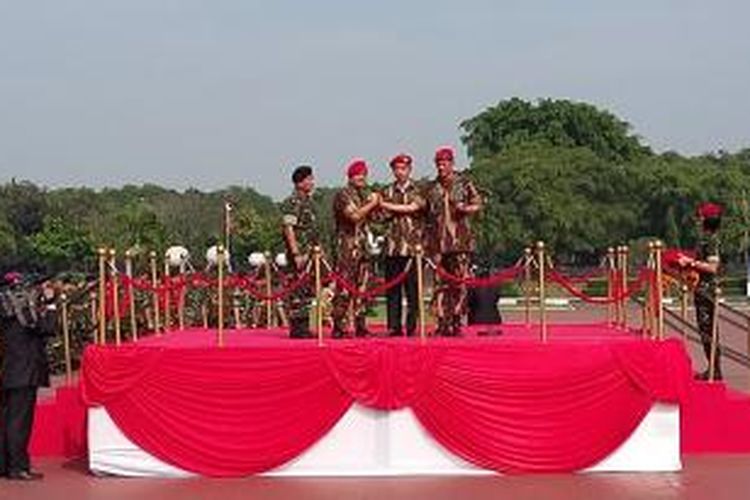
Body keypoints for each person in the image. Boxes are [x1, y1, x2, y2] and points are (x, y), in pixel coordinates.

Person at [0, 277, 58, 480]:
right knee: (19, 423)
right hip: (25, 373)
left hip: (10, 372)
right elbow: (49, 328)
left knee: (8, 420)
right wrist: (51, 303)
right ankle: (18, 467)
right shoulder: (25, 315)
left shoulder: (7, 313)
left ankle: (6, 465)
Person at [424, 146, 483, 336]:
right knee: (440, 284)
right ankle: (442, 322)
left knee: (460, 283)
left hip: (460, 242)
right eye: (438, 163)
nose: (441, 167)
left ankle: (456, 322)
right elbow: (425, 213)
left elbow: (478, 203)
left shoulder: (464, 183)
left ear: (452, 163)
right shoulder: (432, 188)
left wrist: (465, 208)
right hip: (438, 244)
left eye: (445, 163)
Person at [331, 159, 381, 338]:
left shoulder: (364, 195)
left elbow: (377, 217)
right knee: (344, 288)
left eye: (364, 174)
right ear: (350, 177)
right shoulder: (343, 195)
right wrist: (372, 204)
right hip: (347, 247)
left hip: (363, 248)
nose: (361, 178)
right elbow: (354, 216)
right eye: (357, 174)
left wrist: (376, 203)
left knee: (364, 287)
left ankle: (361, 325)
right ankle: (339, 326)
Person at [379, 154, 426, 337]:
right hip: (392, 247)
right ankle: (394, 326)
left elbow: (414, 207)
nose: (400, 172)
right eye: (397, 168)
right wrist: (383, 206)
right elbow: (379, 215)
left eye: (404, 168)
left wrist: (386, 206)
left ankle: (412, 325)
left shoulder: (419, 189)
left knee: (413, 290)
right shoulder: (387, 191)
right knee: (393, 290)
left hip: (413, 248)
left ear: (410, 169)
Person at [678, 202, 723, 380]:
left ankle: (715, 369)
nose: (698, 220)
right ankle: (713, 368)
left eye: (701, 217)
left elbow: (712, 267)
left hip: (707, 290)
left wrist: (691, 263)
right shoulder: (707, 238)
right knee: (707, 331)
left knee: (708, 331)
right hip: (703, 288)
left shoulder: (711, 240)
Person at [280, 165, 319, 338]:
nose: (312, 182)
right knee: (297, 288)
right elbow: (289, 227)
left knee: (307, 289)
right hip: (299, 253)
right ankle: (297, 328)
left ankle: (304, 326)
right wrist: (295, 253)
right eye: (309, 179)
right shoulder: (292, 202)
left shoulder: (308, 202)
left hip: (310, 252)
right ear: (299, 182)